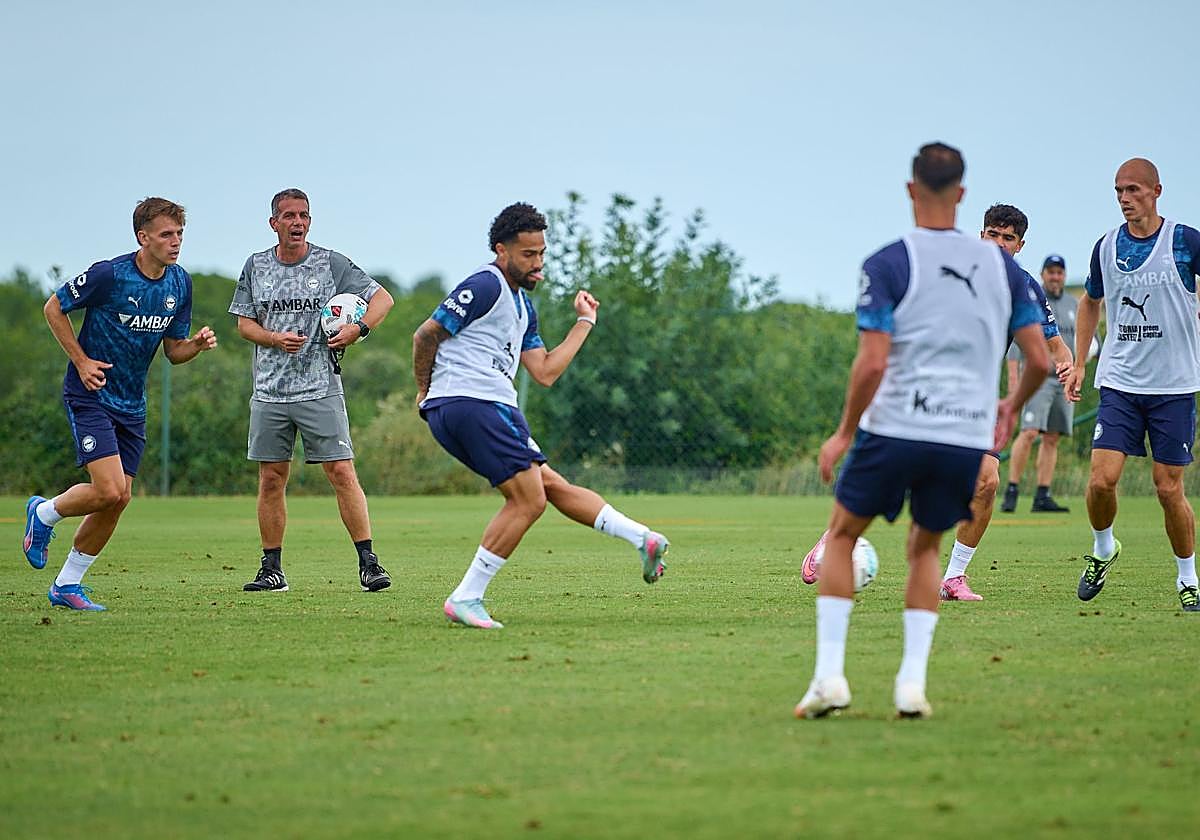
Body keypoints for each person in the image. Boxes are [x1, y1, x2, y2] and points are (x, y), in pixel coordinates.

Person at [794, 144, 1049, 720]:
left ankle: (830, 677)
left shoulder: (887, 262)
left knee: (840, 537)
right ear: (962, 196)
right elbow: (1037, 358)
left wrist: (842, 432)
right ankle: (911, 686)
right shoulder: (1004, 269)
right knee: (924, 548)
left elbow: (873, 363)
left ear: (911, 190)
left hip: (896, 427)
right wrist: (1011, 406)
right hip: (962, 434)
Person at [411, 202, 669, 629]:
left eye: (541, 253)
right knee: (528, 500)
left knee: (551, 486)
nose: (538, 264)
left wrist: (584, 322)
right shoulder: (486, 285)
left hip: (485, 406)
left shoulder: (522, 307)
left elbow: (545, 371)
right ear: (501, 250)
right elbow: (426, 333)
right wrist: (424, 387)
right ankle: (467, 596)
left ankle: (643, 539)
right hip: (472, 403)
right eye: (528, 255)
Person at [801, 204, 1071, 602]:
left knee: (986, 482)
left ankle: (954, 577)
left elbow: (1052, 348)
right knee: (884, 483)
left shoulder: (1022, 287)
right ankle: (832, 540)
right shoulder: (955, 270)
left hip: (972, 406)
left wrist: (1070, 367)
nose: (998, 244)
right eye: (992, 235)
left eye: (1007, 238)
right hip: (916, 394)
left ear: (1020, 245)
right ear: (980, 235)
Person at [22, 198, 217, 611]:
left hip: (132, 404)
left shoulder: (180, 283)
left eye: (180, 234)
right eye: (167, 234)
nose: (176, 242)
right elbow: (53, 307)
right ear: (142, 238)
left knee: (120, 497)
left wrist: (196, 345)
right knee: (108, 488)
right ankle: (44, 515)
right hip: (90, 394)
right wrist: (81, 359)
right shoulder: (109, 275)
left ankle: (67, 585)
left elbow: (173, 352)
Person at [228, 188, 394, 593]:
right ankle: (272, 569)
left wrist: (358, 329)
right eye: (288, 216)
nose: (297, 222)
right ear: (274, 223)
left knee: (341, 471)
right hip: (269, 392)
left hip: (320, 387)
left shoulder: (331, 262)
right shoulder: (256, 266)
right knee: (271, 478)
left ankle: (369, 563)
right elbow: (243, 324)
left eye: (303, 215)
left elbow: (382, 300)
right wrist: (272, 338)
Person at [1064, 158, 1200, 612]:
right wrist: (1081, 362)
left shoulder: (1184, 241)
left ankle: (1187, 578)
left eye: (1134, 190)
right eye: (1119, 190)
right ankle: (1103, 547)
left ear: (1156, 191)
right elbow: (1089, 303)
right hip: (1120, 382)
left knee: (1167, 488)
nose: (1125, 198)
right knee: (1102, 481)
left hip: (1175, 385)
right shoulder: (1106, 246)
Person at [1001, 254, 1078, 513]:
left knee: (1052, 437)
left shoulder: (1072, 304)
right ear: (1043, 274)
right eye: (1051, 272)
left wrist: (1076, 370)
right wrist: (1014, 384)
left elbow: (1082, 344)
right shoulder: (1028, 294)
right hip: (1036, 380)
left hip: (1062, 379)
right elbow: (1013, 348)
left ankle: (1042, 495)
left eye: (1060, 272)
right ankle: (1012, 489)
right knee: (1030, 431)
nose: (1055, 276)